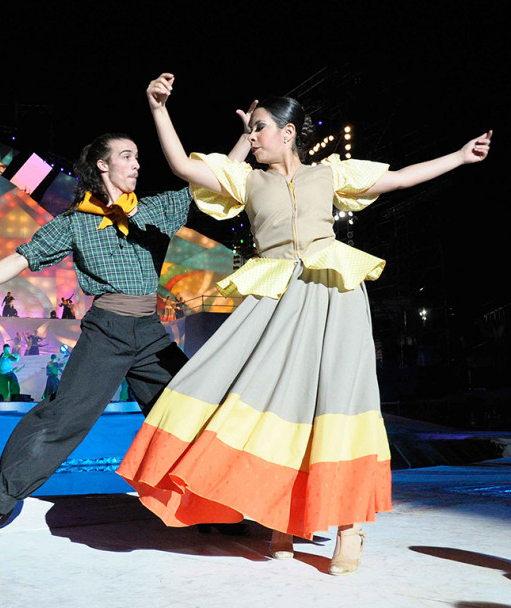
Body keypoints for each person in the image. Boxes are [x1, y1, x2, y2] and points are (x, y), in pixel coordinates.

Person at [116, 72, 493, 576]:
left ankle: (349, 527)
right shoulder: (246, 180)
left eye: (259, 128)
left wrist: (460, 156)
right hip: (275, 301)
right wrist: (159, 108)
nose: (252, 138)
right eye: (250, 130)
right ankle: (282, 517)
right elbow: (184, 164)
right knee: (275, 401)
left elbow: (400, 178)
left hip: (334, 294)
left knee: (340, 402)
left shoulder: (330, 175)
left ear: (287, 132)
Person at [0, 132, 192, 549]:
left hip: (149, 332)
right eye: (128, 156)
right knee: (61, 420)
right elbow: (22, 257)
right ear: (104, 165)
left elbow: (209, 179)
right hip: (106, 330)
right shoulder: (75, 223)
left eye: (138, 156)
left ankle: (209, 506)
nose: (138, 164)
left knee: (191, 411)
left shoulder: (154, 210)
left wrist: (243, 139)